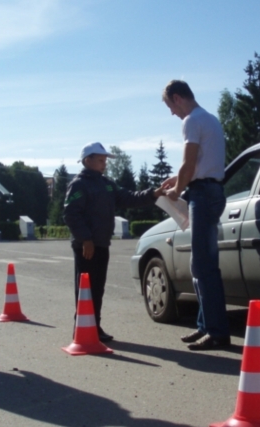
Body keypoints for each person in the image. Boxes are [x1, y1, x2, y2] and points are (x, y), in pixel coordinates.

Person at [63, 142, 164, 342]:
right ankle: (81, 329)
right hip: (87, 246)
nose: (104, 164)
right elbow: (71, 213)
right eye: (100, 160)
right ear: (87, 160)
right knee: (86, 289)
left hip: (101, 244)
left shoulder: (106, 183)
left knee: (98, 288)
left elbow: (129, 198)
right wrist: (86, 239)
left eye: (105, 161)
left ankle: (94, 326)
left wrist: (154, 193)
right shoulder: (79, 184)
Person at [160, 80, 230, 350]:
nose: (171, 113)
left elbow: (190, 164)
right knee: (199, 264)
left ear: (177, 98)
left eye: (170, 106)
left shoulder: (190, 120)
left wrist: (176, 190)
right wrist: (177, 178)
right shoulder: (209, 118)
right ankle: (205, 326)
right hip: (210, 191)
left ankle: (217, 332)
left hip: (203, 194)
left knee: (204, 266)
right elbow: (201, 163)